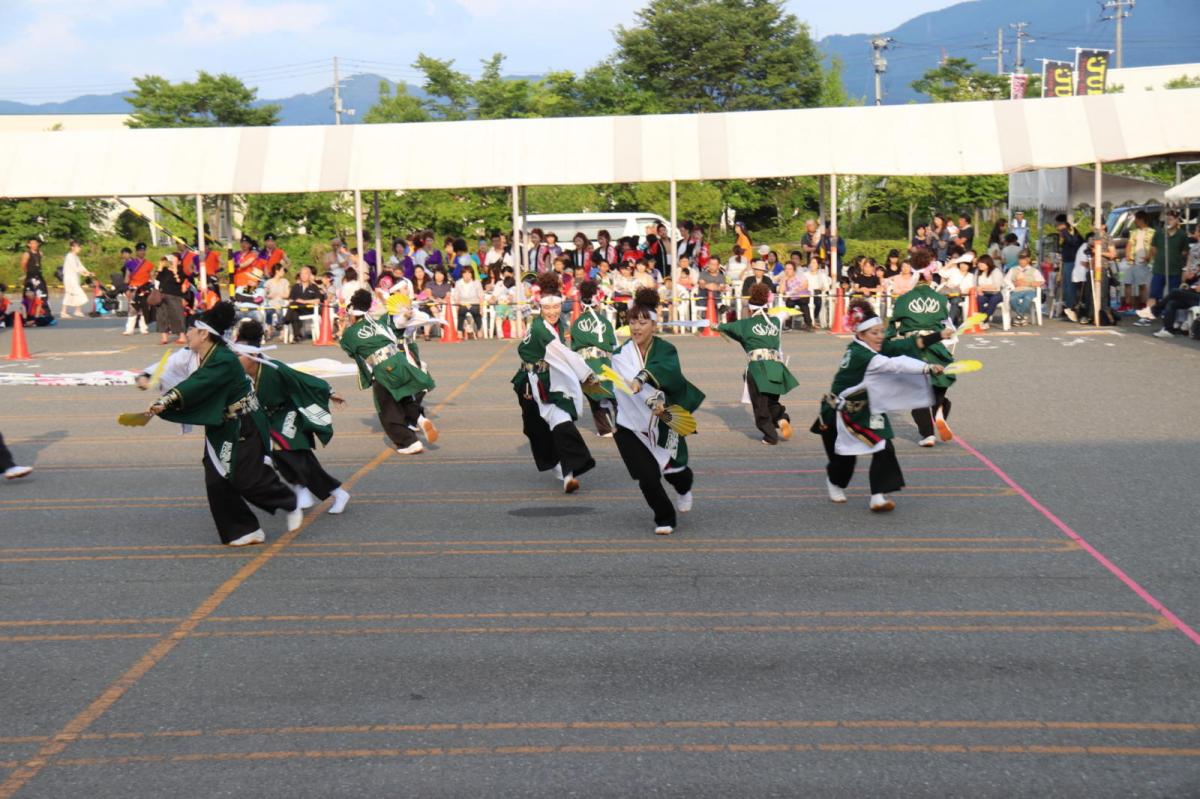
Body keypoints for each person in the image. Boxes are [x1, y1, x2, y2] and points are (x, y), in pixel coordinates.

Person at [146, 302, 302, 546]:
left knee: (246, 479)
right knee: (216, 480)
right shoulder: (198, 354)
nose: (186, 334)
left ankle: (289, 501)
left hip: (244, 423)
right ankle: (243, 530)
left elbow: (198, 383)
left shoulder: (222, 358)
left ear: (204, 334)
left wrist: (167, 400)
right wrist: (156, 391)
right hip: (221, 425)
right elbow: (175, 371)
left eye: (191, 330)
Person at [812, 299, 950, 513]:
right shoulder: (863, 355)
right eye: (875, 333)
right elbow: (896, 364)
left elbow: (906, 345)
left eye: (881, 331)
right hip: (840, 413)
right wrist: (927, 367)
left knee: (884, 447)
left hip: (867, 408)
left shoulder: (869, 345)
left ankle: (878, 496)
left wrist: (939, 335)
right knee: (844, 461)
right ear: (861, 334)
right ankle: (835, 482)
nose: (880, 337)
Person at [610, 287, 705, 535]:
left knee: (676, 472)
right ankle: (664, 517)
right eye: (632, 321)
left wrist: (643, 380)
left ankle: (684, 489)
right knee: (647, 477)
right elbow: (622, 385)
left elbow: (667, 371)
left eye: (643, 322)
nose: (637, 328)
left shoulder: (665, 349)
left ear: (654, 324)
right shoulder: (621, 354)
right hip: (631, 424)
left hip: (663, 420)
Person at [234, 320, 350, 514]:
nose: (234, 358)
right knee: (280, 456)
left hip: (286, 414)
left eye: (238, 354)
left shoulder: (273, 368)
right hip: (267, 419)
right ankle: (301, 487)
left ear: (253, 355)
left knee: (291, 454)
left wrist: (330, 392)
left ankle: (335, 492)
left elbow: (302, 379)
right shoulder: (241, 375)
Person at [512, 272, 599, 494]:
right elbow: (564, 354)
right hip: (531, 384)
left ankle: (569, 474)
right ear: (540, 308)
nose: (552, 312)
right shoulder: (541, 328)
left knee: (561, 422)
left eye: (556, 307)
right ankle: (560, 468)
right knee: (537, 431)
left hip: (549, 379)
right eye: (547, 308)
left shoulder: (559, 323)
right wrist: (588, 375)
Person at [339, 289, 438, 454]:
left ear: (352, 314)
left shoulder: (350, 333)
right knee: (404, 396)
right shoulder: (378, 322)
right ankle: (419, 419)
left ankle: (409, 442)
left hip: (383, 368)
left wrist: (345, 327)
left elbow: (349, 349)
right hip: (399, 360)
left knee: (387, 408)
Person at [887, 251, 956, 448]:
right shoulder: (941, 300)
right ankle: (939, 410)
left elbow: (892, 327)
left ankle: (928, 434)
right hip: (936, 345)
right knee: (938, 385)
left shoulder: (903, 300)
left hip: (913, 346)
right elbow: (947, 324)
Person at [717, 283, 798, 446]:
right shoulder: (775, 321)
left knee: (760, 405)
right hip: (776, 367)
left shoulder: (744, 325)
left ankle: (770, 436)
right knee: (772, 401)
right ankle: (782, 419)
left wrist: (720, 316)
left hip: (758, 369)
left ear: (751, 309)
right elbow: (781, 317)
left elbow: (721, 327)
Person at [570, 279, 618, 437]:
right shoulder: (605, 321)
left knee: (593, 395)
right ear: (597, 304)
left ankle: (605, 429)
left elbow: (575, 346)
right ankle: (621, 425)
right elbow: (613, 343)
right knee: (613, 393)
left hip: (587, 363)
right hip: (605, 361)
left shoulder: (577, 324)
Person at [1148, 209, 1190, 303]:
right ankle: (1149, 315)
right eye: (1167, 219)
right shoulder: (1159, 233)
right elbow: (1153, 248)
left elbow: (1185, 252)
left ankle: (1169, 314)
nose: (1168, 221)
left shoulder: (1182, 235)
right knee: (1153, 294)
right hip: (1159, 268)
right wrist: (1159, 258)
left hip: (1175, 270)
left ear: (1176, 220)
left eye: (1170, 219)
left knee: (1173, 294)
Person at [1005, 248, 1044, 325]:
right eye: (1020, 259)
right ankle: (1022, 318)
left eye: (1024, 259)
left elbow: (1041, 281)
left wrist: (1028, 284)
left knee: (1028, 298)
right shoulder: (1013, 269)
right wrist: (1014, 283)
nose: (1021, 261)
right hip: (1017, 289)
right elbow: (1006, 280)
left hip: (1030, 290)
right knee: (1012, 298)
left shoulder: (1034, 270)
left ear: (1028, 259)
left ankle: (1019, 317)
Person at [155, 254, 188, 345]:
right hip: (162, 295)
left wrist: (175, 270)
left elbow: (179, 281)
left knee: (177, 315)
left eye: (174, 259)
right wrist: (160, 266)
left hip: (174, 295)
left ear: (179, 261)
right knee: (162, 315)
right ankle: (164, 337)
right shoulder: (165, 270)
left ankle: (182, 336)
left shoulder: (181, 270)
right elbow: (158, 278)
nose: (171, 260)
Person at [1054, 214, 1085, 313]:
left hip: (1071, 261)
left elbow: (1073, 242)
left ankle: (1071, 306)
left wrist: (1064, 232)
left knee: (1070, 286)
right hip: (1067, 261)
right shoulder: (1068, 232)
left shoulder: (1070, 231)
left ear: (1062, 224)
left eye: (1058, 224)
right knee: (1067, 286)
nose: (1056, 227)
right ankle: (1068, 305)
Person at [123, 242, 155, 335]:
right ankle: (129, 329)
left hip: (145, 288)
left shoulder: (149, 264)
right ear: (136, 251)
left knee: (144, 309)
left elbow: (152, 277)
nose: (142, 252)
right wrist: (126, 289)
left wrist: (154, 288)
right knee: (132, 308)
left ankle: (144, 328)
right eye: (140, 250)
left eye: (143, 250)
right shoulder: (130, 264)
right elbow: (127, 277)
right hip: (133, 288)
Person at [284, 266, 323, 342]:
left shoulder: (314, 287)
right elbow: (290, 299)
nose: (304, 275)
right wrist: (297, 301)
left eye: (306, 274)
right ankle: (297, 336)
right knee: (294, 312)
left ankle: (285, 320)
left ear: (309, 275)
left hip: (309, 309)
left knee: (294, 304)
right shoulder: (295, 287)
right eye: (302, 274)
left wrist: (304, 301)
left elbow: (317, 300)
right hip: (297, 309)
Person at [60, 240, 93, 318]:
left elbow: (81, 266)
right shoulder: (69, 256)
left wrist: (88, 272)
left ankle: (65, 311)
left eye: (79, 247)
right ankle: (76, 311)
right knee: (78, 293)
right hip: (69, 279)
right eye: (78, 247)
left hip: (75, 278)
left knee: (70, 294)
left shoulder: (76, 257)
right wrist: (84, 274)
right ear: (72, 247)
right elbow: (75, 267)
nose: (79, 248)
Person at [974, 255, 1004, 327]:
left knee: (993, 300)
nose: (980, 265)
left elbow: (996, 286)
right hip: (984, 293)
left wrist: (982, 287)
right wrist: (978, 290)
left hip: (996, 293)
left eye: (982, 263)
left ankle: (984, 320)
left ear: (988, 263)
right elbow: (975, 284)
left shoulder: (995, 271)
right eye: (979, 263)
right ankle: (983, 320)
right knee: (979, 299)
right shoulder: (978, 271)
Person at [453, 267, 484, 335]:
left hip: (474, 302)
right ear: (462, 274)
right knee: (461, 312)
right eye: (465, 273)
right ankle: (460, 330)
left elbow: (481, 296)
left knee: (476, 311)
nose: (467, 275)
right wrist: (457, 306)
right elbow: (456, 295)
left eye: (469, 273)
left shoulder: (477, 282)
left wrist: (481, 308)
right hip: (463, 303)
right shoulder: (458, 283)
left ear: (472, 274)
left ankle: (479, 329)